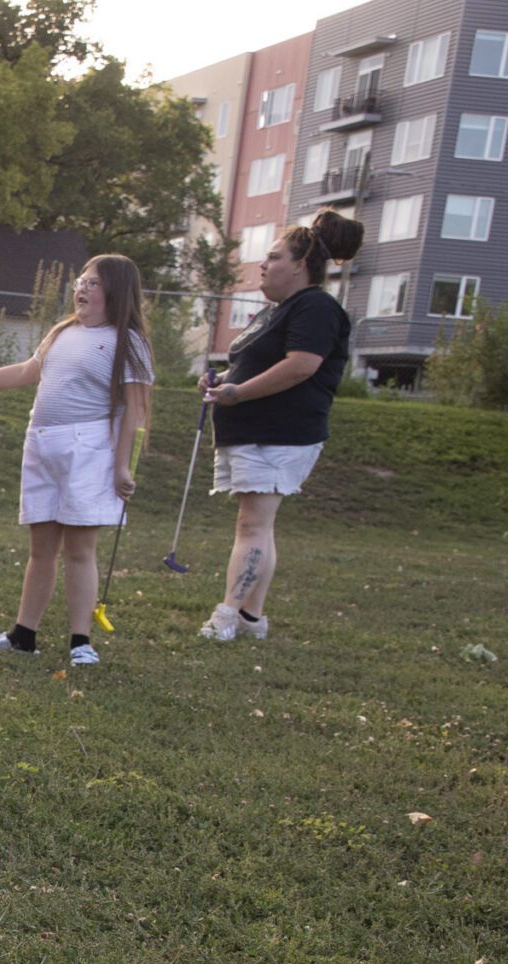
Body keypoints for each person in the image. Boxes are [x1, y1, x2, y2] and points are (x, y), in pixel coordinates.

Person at [199, 210, 365, 641]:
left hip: (280, 434)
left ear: (300, 265)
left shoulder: (316, 307)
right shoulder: (278, 311)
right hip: (253, 432)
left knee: (252, 526)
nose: (263, 264)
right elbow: (254, 364)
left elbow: (301, 366)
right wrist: (222, 380)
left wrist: (238, 393)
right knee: (258, 524)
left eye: (274, 257)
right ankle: (252, 619)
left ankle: (226, 617)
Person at [0, 254, 154, 667]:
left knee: (80, 549)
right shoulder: (62, 331)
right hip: (42, 445)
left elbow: (135, 411)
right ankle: (24, 634)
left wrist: (122, 466)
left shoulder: (128, 341)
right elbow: (28, 371)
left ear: (115, 291)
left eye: (93, 283)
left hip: (89, 450)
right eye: (80, 281)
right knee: (41, 549)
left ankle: (80, 640)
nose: (82, 289)